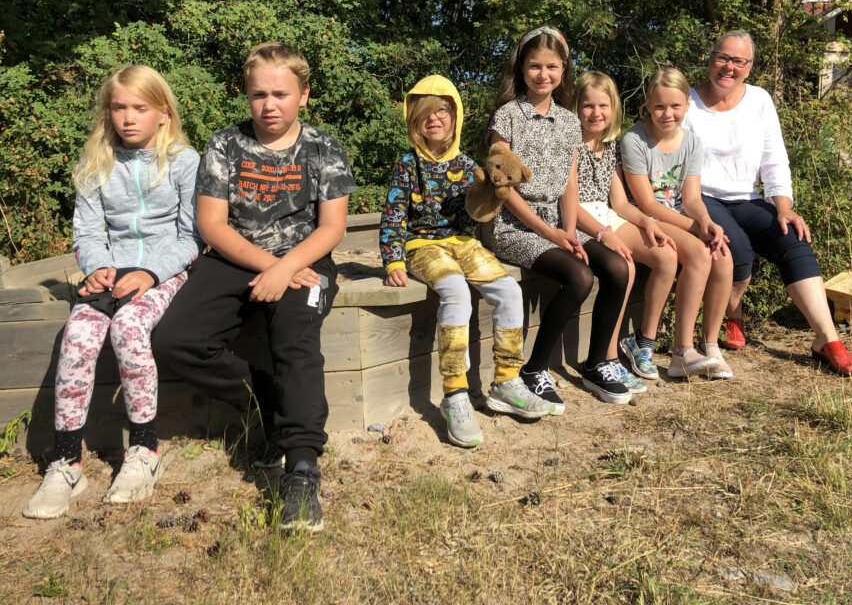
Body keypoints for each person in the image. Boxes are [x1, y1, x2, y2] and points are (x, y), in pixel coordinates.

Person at [153, 42, 358, 532]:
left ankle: (302, 468)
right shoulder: (224, 145)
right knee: (172, 340)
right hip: (234, 260)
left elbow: (332, 227)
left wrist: (286, 269)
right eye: (259, 94)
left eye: (282, 94)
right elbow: (213, 225)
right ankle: (264, 399)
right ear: (246, 95)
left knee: (296, 342)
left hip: (305, 263)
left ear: (303, 95)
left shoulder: (323, 147)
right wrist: (269, 267)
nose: (270, 105)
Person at [24, 66, 200, 519]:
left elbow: (191, 237)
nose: (128, 117)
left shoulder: (183, 161)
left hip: (163, 272)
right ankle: (66, 462)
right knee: (78, 338)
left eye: (140, 108)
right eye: (119, 107)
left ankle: (144, 451)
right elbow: (86, 230)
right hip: (109, 273)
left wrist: (150, 273)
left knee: (128, 328)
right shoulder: (95, 163)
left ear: (163, 113)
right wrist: (96, 267)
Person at [380, 75, 554, 447]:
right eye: (425, 115)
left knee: (509, 290)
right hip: (422, 247)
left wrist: (492, 192)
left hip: (462, 242)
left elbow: (475, 212)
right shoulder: (408, 165)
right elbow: (393, 215)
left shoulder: (467, 164)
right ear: (414, 122)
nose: (434, 120)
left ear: (455, 117)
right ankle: (455, 393)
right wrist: (393, 261)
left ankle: (506, 381)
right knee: (456, 292)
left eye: (442, 112)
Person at [684, 30, 852, 375]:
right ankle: (730, 314)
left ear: (749, 67)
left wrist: (783, 206)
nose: (729, 67)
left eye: (739, 61)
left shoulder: (759, 100)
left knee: (793, 240)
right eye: (723, 57)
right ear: (710, 58)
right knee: (737, 248)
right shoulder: (688, 103)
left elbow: (774, 158)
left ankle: (827, 341)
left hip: (747, 198)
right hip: (702, 199)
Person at [486, 25, 633, 411]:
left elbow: (569, 186)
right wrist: (551, 234)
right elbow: (504, 188)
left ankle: (599, 362)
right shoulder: (507, 118)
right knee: (580, 275)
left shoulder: (569, 121)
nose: (543, 75)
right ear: (521, 69)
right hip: (514, 224)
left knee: (616, 268)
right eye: (534, 66)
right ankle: (534, 369)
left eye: (552, 66)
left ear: (563, 70)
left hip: (557, 223)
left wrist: (569, 232)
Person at [620, 67, 734, 379]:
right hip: (647, 219)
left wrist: (706, 222)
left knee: (722, 254)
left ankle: (710, 346)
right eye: (659, 106)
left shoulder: (692, 142)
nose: (667, 114)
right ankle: (682, 350)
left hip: (677, 216)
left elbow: (692, 198)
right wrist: (693, 229)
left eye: (675, 106)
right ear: (648, 106)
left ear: (686, 104)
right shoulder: (635, 139)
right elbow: (646, 202)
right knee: (698, 253)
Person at [571, 72, 680, 392]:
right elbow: (571, 204)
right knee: (626, 264)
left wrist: (647, 221)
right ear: (576, 108)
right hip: (580, 221)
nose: (595, 113)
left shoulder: (611, 146)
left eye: (603, 106)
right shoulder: (570, 145)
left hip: (607, 214)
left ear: (613, 108)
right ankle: (607, 358)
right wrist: (604, 234)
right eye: (587, 106)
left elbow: (619, 202)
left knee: (666, 255)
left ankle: (641, 342)